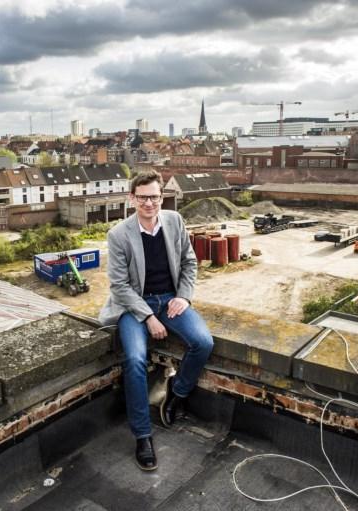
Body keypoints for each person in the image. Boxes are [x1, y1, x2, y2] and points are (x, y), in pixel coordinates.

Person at [99, 170, 214, 471]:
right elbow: (120, 287)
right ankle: (142, 435)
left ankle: (176, 395)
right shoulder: (119, 234)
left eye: (154, 197)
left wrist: (185, 297)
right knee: (136, 360)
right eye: (142, 197)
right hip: (134, 306)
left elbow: (190, 262)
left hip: (170, 300)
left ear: (162, 197)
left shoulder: (175, 221)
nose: (149, 203)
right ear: (132, 198)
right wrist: (148, 316)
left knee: (203, 342)